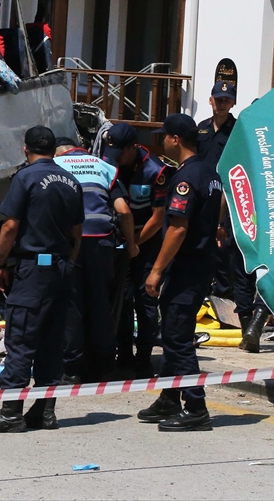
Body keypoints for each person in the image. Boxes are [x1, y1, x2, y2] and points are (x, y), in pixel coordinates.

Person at [0, 126, 84, 434]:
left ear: (26, 150)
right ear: (53, 149)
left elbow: (10, 226)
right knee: (52, 341)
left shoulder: (25, 178)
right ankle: (44, 411)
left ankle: (11, 412)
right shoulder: (72, 181)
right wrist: (69, 263)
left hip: (34, 271)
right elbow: (78, 234)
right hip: (62, 268)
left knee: (22, 338)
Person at [138, 114, 223, 432]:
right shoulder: (209, 172)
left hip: (187, 266)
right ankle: (171, 397)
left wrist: (156, 271)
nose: (162, 141)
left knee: (176, 335)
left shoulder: (185, 177)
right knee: (174, 331)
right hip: (200, 264)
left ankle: (195, 406)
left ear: (175, 140)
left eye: (165, 136)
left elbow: (176, 229)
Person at [54, 137, 133, 382]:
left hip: (71, 242)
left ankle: (72, 369)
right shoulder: (102, 166)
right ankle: (105, 364)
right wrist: (132, 245)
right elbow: (123, 211)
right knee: (100, 302)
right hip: (101, 242)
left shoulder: (55, 166)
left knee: (72, 303)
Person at [105, 123, 176, 378]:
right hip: (122, 242)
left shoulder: (156, 170)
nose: (115, 160)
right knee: (121, 302)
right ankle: (123, 357)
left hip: (148, 241)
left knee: (146, 302)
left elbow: (158, 218)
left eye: (120, 154)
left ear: (133, 148)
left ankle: (143, 360)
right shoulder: (110, 164)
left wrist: (134, 243)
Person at [199, 75, 263, 351]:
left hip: (233, 205)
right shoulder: (200, 130)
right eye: (219, 99)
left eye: (228, 100)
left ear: (233, 103)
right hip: (201, 201)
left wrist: (225, 219)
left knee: (234, 262)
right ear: (211, 100)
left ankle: (240, 320)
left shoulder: (238, 132)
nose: (222, 104)